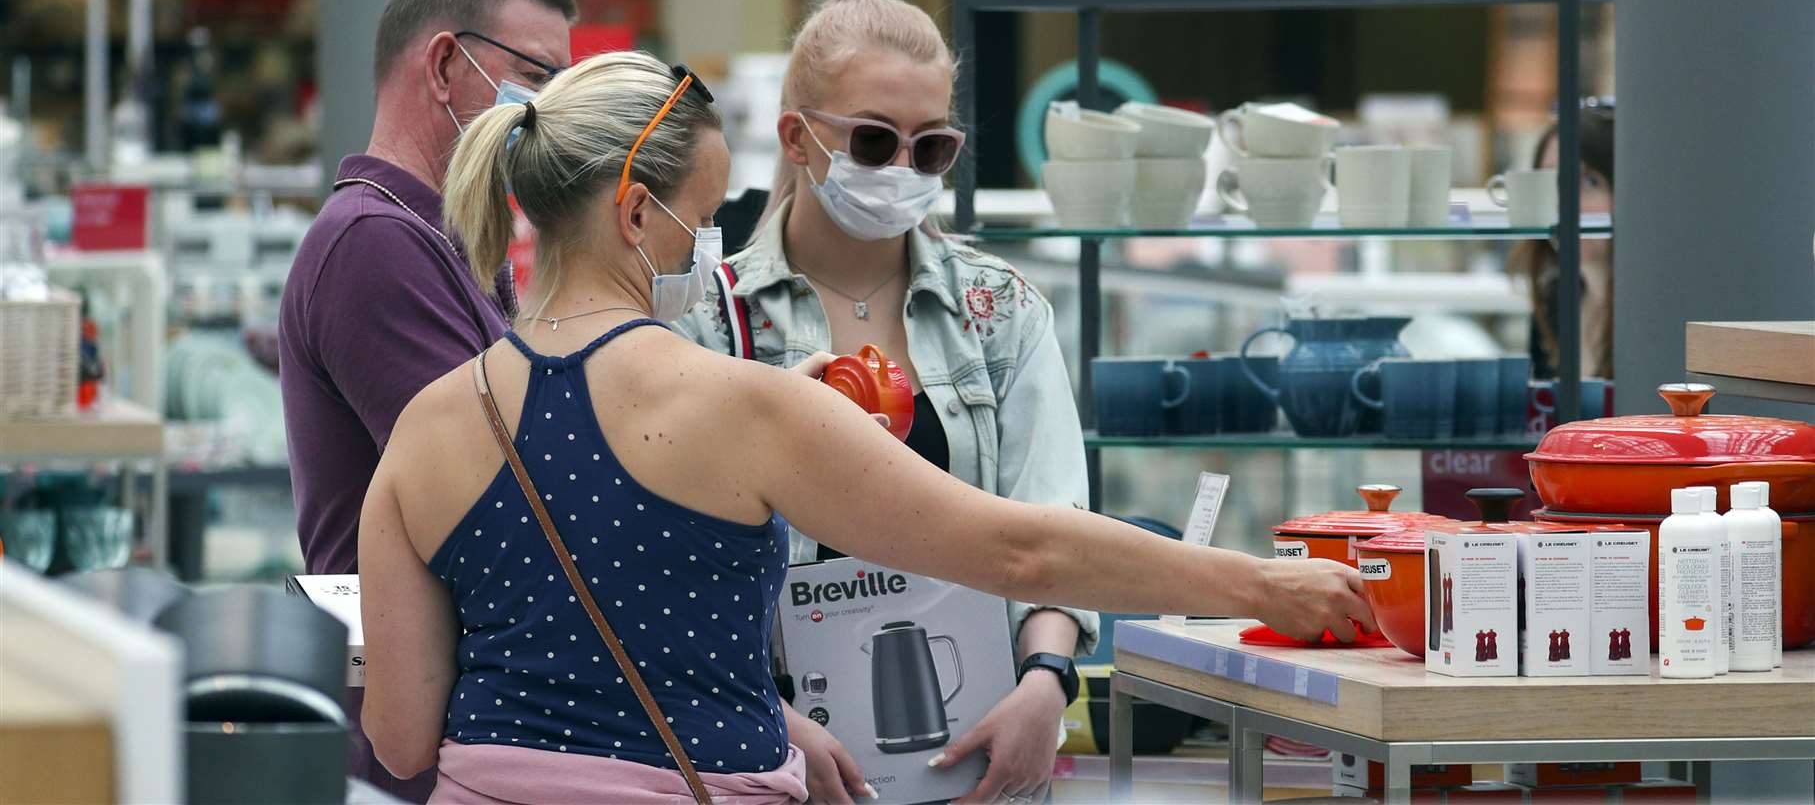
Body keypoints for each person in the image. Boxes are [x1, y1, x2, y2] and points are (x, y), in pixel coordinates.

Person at [358, 50, 1373, 804]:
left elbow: (400, 738)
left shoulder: (427, 427)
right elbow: (1018, 548)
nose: (709, 248)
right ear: (635, 216)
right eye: (703, 219)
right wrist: (1260, 583)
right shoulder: (745, 407)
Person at [672, 0, 1090, 804]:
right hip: (772, 759)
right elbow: (669, 570)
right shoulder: (709, 322)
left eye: (929, 149)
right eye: (872, 141)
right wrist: (771, 720)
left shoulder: (999, 311)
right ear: (796, 137)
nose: (901, 169)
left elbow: (1054, 525)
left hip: (978, 759)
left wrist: (1045, 685)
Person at [278, 0, 575, 799]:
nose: (549, 113)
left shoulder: (444, 243)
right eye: (537, 77)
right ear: (445, 64)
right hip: (417, 742)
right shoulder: (374, 247)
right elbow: (509, 491)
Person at [1509, 99, 1614, 380]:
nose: (1564, 202)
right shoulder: (1555, 300)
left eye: (1589, 182)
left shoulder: (1654, 309)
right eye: (1550, 183)